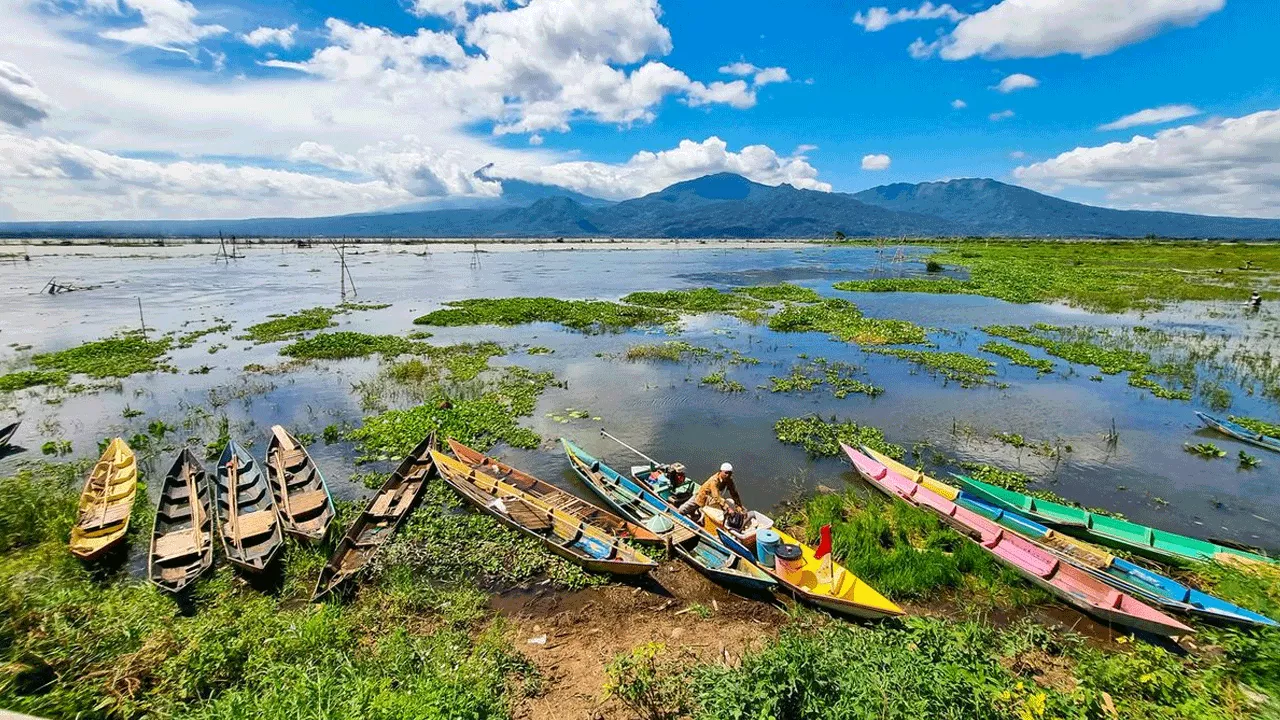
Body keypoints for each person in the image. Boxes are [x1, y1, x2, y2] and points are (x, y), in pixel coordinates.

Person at [678, 463, 743, 517]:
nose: (728, 475)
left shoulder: (729, 480)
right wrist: (728, 508)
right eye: (726, 473)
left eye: (730, 473)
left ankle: (700, 512)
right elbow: (716, 497)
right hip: (702, 497)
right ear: (720, 472)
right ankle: (698, 511)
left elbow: (734, 493)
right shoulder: (714, 481)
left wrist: (739, 506)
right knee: (682, 510)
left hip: (712, 500)